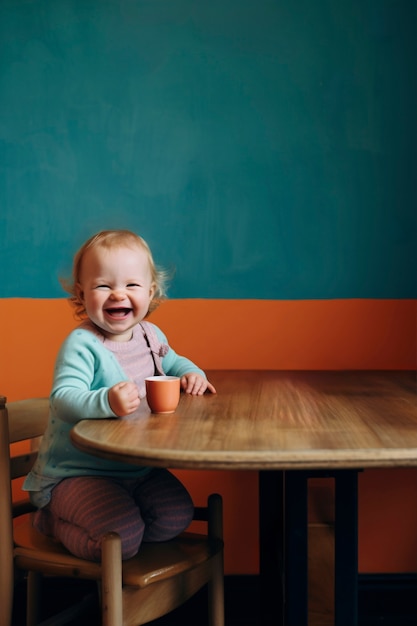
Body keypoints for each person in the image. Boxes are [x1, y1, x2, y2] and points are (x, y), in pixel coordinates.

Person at [23, 229, 216, 561]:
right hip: (78, 473)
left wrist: (191, 372)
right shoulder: (83, 344)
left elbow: (173, 360)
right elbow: (63, 398)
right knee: (122, 540)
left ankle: (126, 530)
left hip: (136, 469)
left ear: (150, 292)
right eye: (103, 286)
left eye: (131, 285)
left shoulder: (148, 335)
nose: (117, 294)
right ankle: (53, 519)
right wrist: (106, 401)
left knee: (176, 516)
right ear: (81, 295)